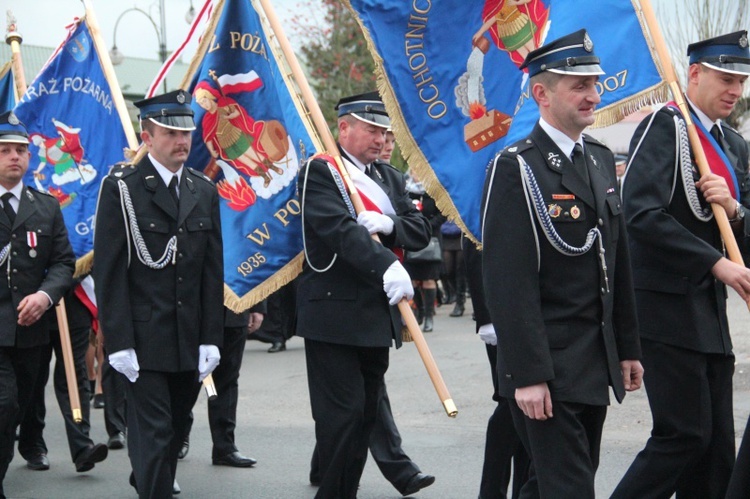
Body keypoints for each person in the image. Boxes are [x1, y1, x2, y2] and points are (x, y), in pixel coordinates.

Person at [481, 30, 643, 497]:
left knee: (551, 485)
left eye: (594, 83)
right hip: (548, 368)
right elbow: (508, 283)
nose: (594, 95)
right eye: (579, 86)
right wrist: (528, 375)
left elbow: (618, 260)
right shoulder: (516, 167)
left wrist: (628, 346)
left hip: (595, 363)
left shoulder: (597, 157)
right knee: (569, 489)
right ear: (541, 94)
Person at [611, 30, 750, 499]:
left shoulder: (732, 146)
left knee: (715, 448)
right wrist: (714, 263)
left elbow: (744, 229)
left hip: (709, 315)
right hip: (664, 310)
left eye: (742, 80)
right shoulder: (666, 127)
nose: (735, 89)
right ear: (694, 74)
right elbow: (640, 213)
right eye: (726, 77)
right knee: (683, 434)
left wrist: (733, 210)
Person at [297, 91, 432, 498]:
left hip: (377, 314)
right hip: (334, 314)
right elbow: (337, 230)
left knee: (365, 414)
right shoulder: (321, 172)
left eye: (384, 132)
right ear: (344, 127)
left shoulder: (389, 177)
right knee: (343, 417)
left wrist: (390, 226)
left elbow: (419, 229)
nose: (380, 139)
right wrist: (386, 264)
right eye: (372, 130)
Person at [93, 89, 224, 498]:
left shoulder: (203, 190)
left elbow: (210, 271)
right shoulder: (123, 189)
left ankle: (152, 479)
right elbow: (109, 272)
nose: (182, 141)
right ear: (147, 136)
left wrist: (211, 337)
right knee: (154, 432)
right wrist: (118, 341)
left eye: (186, 132)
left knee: (174, 430)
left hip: (189, 338)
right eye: (170, 132)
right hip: (144, 339)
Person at [0, 111, 76, 498]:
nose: (15, 157)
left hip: (31, 328)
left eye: (21, 151)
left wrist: (45, 296)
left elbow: (63, 262)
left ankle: (30, 443)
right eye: (5, 150)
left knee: (25, 400)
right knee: (4, 403)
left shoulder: (46, 206)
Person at [464, 238, 530, 499]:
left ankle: (524, 491)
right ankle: (491, 492)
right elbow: (474, 242)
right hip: (503, 313)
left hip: (534, 307)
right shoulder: (492, 194)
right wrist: (486, 315)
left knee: (529, 411)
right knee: (511, 401)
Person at [18, 285, 108, 473]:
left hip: (74, 295)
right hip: (35, 298)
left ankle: (82, 446)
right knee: (33, 375)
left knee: (75, 373)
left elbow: (90, 257)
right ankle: (33, 446)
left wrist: (68, 276)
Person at [178, 304, 265, 467]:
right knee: (191, 378)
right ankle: (177, 434)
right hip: (194, 309)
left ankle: (224, 447)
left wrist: (257, 306)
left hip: (235, 307)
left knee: (226, 380)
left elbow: (255, 277)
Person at [403, 168, 444, 332]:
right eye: (414, 170)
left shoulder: (434, 189)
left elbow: (443, 213)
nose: (417, 173)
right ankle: (419, 312)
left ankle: (428, 317)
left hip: (431, 238)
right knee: (412, 279)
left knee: (428, 279)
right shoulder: (405, 188)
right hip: (411, 238)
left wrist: (427, 226)